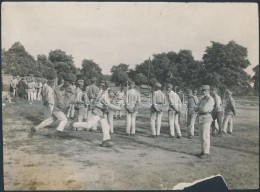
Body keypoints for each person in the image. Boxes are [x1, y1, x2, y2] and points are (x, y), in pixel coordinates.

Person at [73, 83, 123, 147]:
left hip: (101, 113)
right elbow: (108, 105)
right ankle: (74, 124)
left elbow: (107, 106)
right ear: (109, 92)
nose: (114, 94)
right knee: (88, 125)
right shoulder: (104, 95)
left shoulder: (108, 95)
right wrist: (120, 108)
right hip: (97, 112)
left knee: (106, 126)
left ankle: (105, 141)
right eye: (113, 93)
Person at [194, 85, 215, 159]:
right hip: (201, 118)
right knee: (201, 136)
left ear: (208, 91)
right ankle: (203, 151)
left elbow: (204, 109)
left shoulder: (210, 99)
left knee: (205, 136)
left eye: (205, 91)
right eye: (202, 91)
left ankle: (206, 152)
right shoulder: (203, 99)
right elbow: (195, 107)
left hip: (206, 118)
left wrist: (198, 108)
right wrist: (199, 107)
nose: (203, 92)